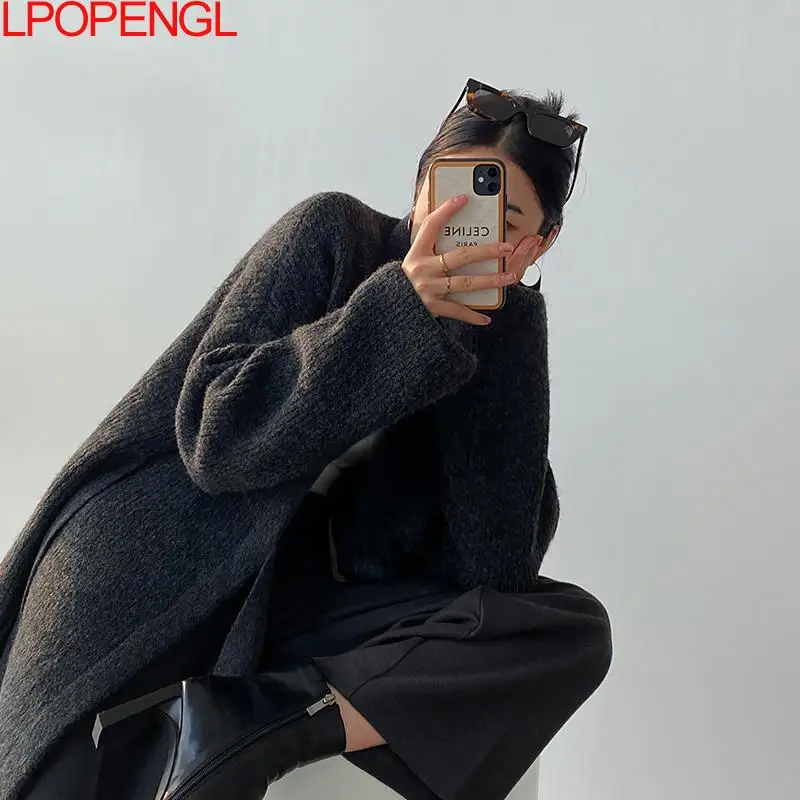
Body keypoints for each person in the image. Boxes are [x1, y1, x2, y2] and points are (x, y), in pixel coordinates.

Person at [0, 77, 612, 800]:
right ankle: (240, 728)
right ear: (421, 184)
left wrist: (504, 337)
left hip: (297, 598)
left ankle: (254, 728)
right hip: (167, 559)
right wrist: (397, 312)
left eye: (503, 219)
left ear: (543, 241)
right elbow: (216, 439)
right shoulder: (331, 232)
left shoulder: (506, 331)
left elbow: (492, 572)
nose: (466, 229)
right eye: (451, 196)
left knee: (565, 629)